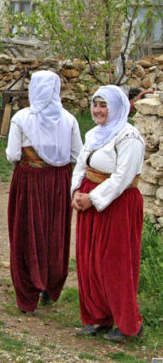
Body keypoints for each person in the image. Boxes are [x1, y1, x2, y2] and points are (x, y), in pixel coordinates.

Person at [71, 85, 145, 342]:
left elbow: (123, 177)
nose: (99, 110)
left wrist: (92, 198)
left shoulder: (129, 137)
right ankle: (98, 317)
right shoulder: (93, 134)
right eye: (96, 105)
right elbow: (81, 164)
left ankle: (128, 324)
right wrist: (75, 193)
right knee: (89, 262)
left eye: (104, 106)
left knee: (114, 263)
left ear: (116, 107)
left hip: (118, 204)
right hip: (89, 202)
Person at [6, 70, 83, 314]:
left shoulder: (21, 118)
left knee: (28, 231)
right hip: (59, 181)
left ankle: (30, 287)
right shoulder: (69, 119)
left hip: (30, 179)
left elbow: (13, 155)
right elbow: (76, 156)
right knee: (54, 231)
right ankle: (49, 285)